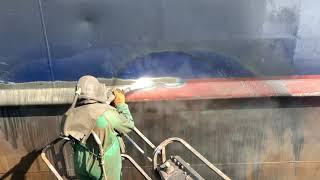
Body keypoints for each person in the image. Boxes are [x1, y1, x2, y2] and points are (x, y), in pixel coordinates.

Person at [63, 75, 134, 180]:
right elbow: (128, 125)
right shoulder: (107, 114)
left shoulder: (72, 113)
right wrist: (120, 104)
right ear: (97, 90)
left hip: (80, 163)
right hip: (103, 165)